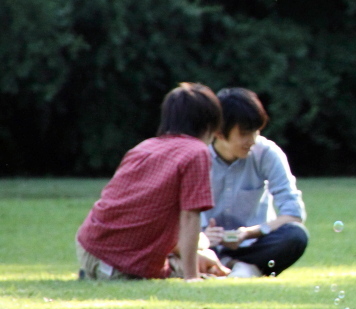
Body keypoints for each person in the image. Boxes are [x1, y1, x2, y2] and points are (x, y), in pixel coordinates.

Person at [76, 82, 228, 281]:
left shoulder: (145, 147)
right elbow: (191, 216)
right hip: (117, 262)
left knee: (201, 248)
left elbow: (145, 218)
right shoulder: (196, 151)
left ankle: (91, 272)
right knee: (204, 259)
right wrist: (192, 277)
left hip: (90, 247)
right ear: (209, 125)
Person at [201, 88, 308, 277]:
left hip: (254, 244)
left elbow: (293, 213)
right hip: (206, 244)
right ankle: (239, 266)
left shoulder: (266, 153)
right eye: (244, 133)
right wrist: (201, 238)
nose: (252, 140)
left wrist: (248, 233)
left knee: (296, 236)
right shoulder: (197, 157)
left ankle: (236, 265)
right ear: (218, 132)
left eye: (256, 131)